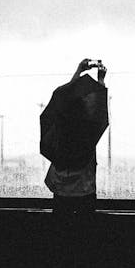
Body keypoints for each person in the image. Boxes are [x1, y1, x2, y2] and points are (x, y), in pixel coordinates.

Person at [45, 59, 107, 214]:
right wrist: (100, 80)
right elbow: (98, 107)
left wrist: (78, 71)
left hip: (61, 190)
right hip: (84, 190)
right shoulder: (88, 129)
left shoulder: (58, 127)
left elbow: (65, 97)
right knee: (85, 232)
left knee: (61, 231)